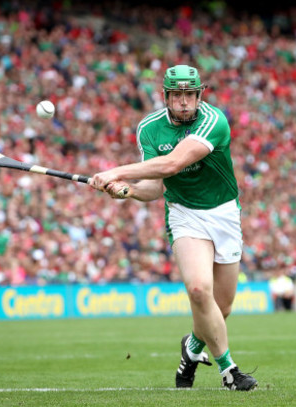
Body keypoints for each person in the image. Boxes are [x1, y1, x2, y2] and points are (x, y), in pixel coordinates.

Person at [90, 65, 258, 391]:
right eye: (177, 95)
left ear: (199, 95)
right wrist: (129, 191)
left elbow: (172, 164)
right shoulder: (150, 129)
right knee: (198, 290)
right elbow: (156, 187)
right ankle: (230, 372)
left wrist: (116, 172)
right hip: (184, 213)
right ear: (166, 96)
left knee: (221, 308)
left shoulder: (214, 121)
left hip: (223, 213)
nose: (184, 102)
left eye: (190, 95)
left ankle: (191, 348)